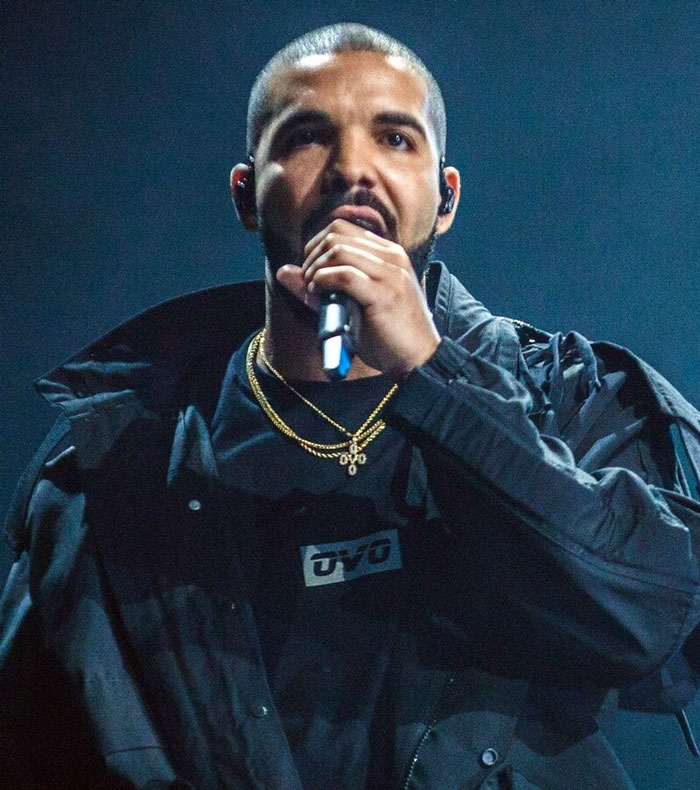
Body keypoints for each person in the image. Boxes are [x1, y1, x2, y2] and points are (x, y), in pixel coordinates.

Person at [1, 22, 700, 790]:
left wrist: (432, 375)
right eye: (306, 138)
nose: (351, 170)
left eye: (396, 139)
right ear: (245, 196)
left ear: (446, 200)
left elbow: (652, 622)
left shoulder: (575, 397)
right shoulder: (113, 470)